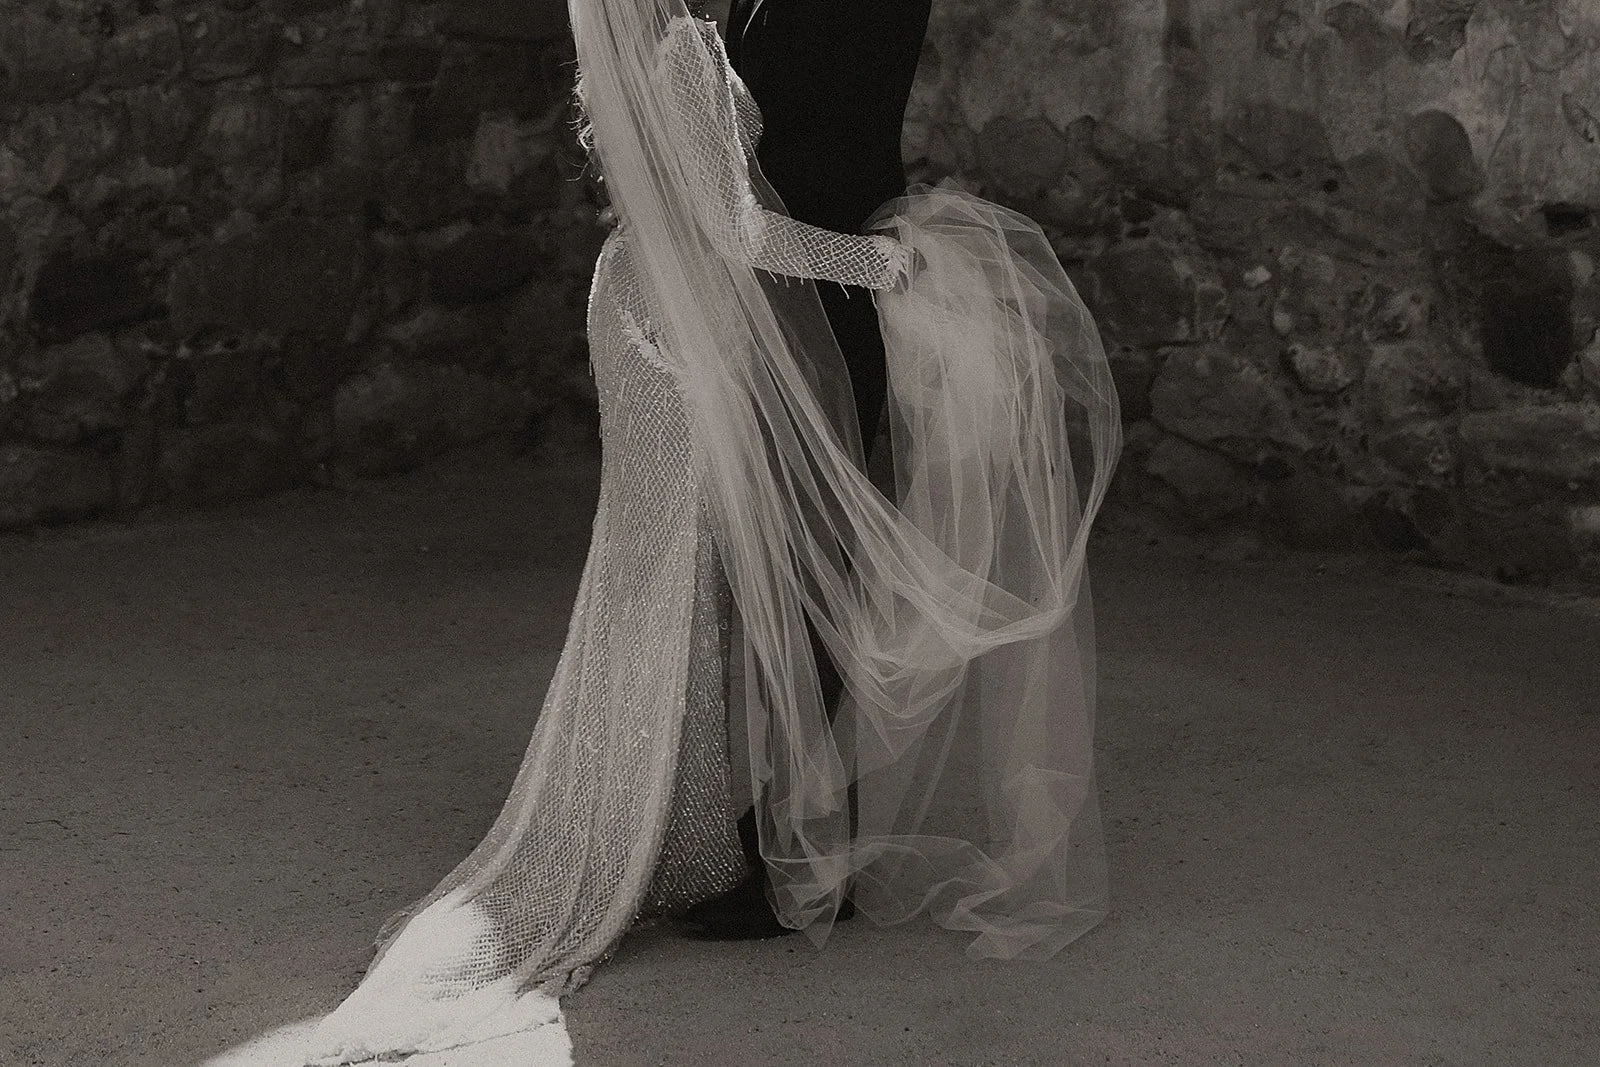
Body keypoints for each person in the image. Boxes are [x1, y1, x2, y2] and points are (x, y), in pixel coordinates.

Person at [291, 0, 1119, 1059]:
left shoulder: (678, 36)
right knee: (687, 576)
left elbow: (805, 148)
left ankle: (713, 829)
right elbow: (740, 223)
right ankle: (716, 835)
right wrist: (887, 266)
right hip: (696, 313)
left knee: (681, 574)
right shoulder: (687, 42)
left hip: (666, 299)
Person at [680, 0, 936, 941]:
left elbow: (829, 156)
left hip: (824, 298)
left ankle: (806, 855)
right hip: (778, 299)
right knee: (783, 569)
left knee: (811, 571)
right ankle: (796, 828)